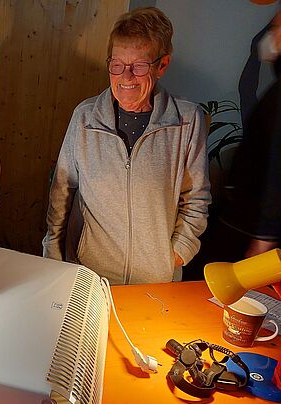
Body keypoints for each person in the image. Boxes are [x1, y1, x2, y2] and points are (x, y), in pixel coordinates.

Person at [43, 7, 211, 284]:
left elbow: (196, 197)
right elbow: (62, 191)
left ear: (162, 65)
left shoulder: (186, 120)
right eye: (117, 64)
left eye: (139, 66)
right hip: (89, 273)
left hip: (157, 278)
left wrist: (178, 253)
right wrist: (53, 253)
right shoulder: (85, 118)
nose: (126, 77)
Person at [221, 9, 281, 258]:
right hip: (245, 218)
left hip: (257, 233)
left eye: (276, 29)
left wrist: (263, 239)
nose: (272, 37)